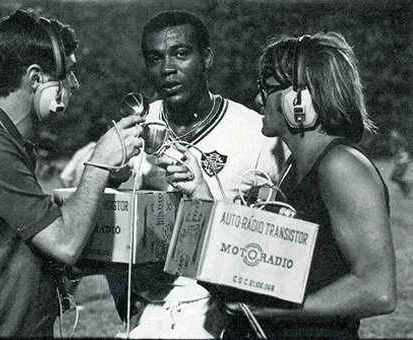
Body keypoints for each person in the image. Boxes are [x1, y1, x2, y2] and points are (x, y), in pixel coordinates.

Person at [158, 31, 397, 338]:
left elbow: (378, 290)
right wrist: (200, 191)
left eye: (267, 89)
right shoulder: (294, 166)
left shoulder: (341, 166)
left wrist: (271, 310)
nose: (258, 99)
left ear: (300, 100)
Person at [0, 9, 144, 338]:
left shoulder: (0, 139)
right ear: (36, 80)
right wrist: (99, 162)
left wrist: (102, 183)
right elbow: (64, 243)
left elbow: (29, 251)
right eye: (68, 74)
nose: (74, 84)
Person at [107, 10, 284, 338]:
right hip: (145, 314)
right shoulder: (132, 129)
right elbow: (107, 225)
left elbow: (273, 244)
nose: (167, 69)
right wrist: (124, 295)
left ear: (207, 58)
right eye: (155, 58)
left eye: (181, 54)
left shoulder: (254, 134)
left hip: (218, 317)